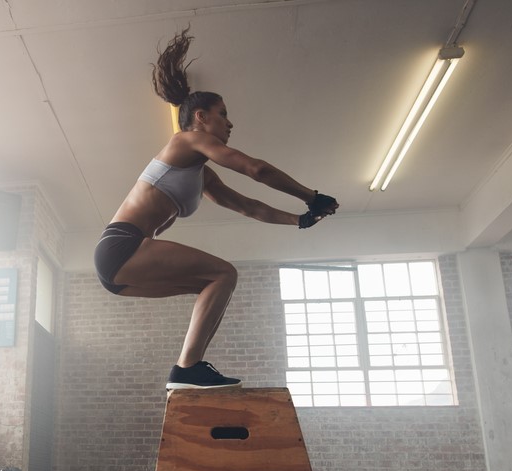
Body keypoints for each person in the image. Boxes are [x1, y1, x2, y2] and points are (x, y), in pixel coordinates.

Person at [93, 28, 339, 390]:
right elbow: (256, 169)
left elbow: (247, 206)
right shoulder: (185, 142)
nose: (230, 123)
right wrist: (310, 196)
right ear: (200, 118)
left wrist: (300, 220)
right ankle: (186, 368)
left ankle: (189, 369)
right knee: (223, 273)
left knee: (217, 282)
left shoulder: (201, 174)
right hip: (122, 245)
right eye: (223, 114)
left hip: (118, 273)